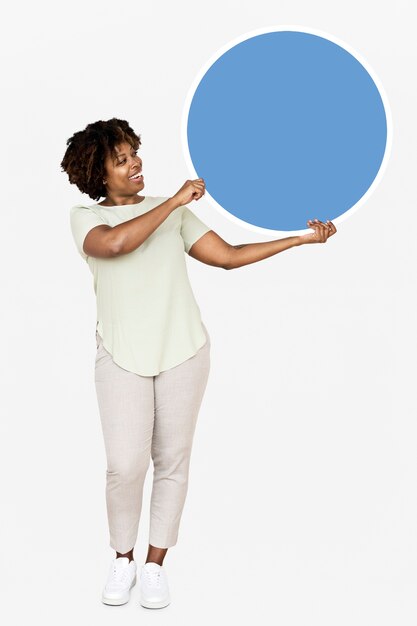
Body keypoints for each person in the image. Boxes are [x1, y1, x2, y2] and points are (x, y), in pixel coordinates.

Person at [61, 117, 336, 610]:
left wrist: (300, 240)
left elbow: (228, 257)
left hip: (184, 351)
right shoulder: (87, 216)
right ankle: (122, 558)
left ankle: (153, 566)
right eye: (120, 160)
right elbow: (118, 244)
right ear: (100, 175)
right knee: (125, 465)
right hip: (121, 354)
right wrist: (172, 201)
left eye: (133, 153)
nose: (135, 163)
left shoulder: (175, 214)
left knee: (173, 462)